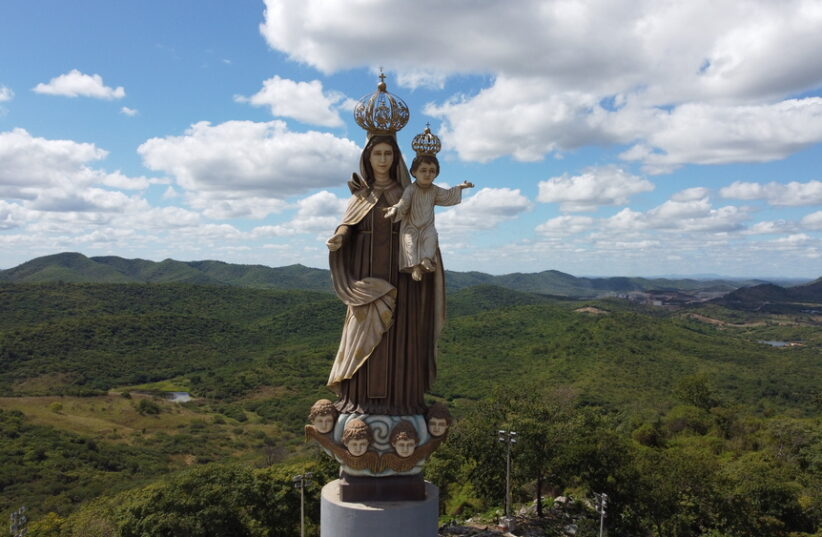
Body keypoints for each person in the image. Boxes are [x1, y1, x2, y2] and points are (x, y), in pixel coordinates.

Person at [326, 134, 446, 416]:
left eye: (388, 154)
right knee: (362, 330)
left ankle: (402, 401)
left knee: (401, 335)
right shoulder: (361, 196)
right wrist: (339, 238)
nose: (382, 159)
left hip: (402, 278)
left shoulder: (407, 192)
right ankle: (359, 401)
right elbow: (347, 226)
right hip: (366, 278)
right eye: (377, 153)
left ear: (396, 159)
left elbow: (422, 225)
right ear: (368, 157)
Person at [384, 154, 473, 281]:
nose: (427, 174)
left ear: (436, 174)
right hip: (411, 225)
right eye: (423, 170)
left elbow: (448, 195)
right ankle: (415, 267)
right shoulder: (411, 189)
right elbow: (403, 203)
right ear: (414, 172)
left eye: (432, 171)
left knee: (431, 239)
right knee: (409, 243)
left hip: (427, 226)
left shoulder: (435, 190)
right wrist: (394, 209)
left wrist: (460, 187)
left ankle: (426, 259)